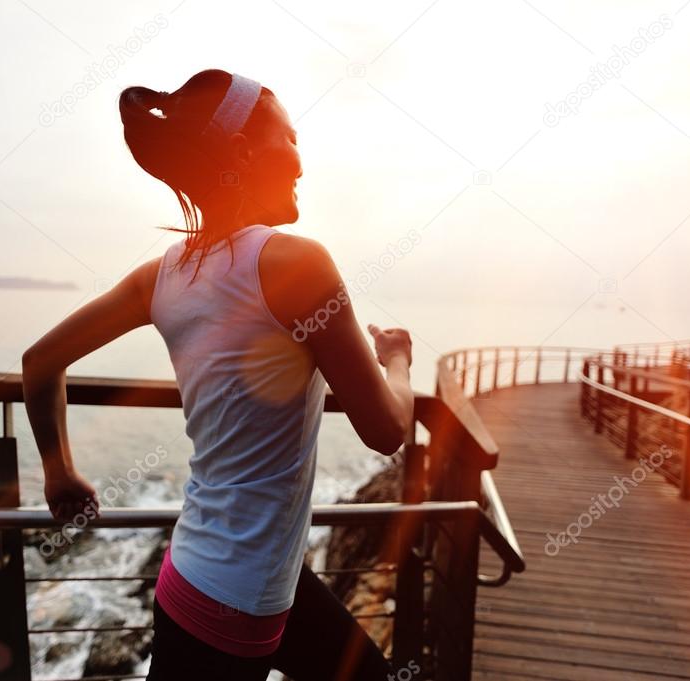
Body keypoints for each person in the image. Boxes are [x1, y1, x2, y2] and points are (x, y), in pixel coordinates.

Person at [21, 69, 415, 680]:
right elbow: (387, 430)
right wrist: (397, 358)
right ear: (241, 151)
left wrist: (58, 470)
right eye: (289, 140)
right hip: (237, 606)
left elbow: (40, 361)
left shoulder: (161, 275)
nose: (301, 164)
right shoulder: (297, 263)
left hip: (213, 574)